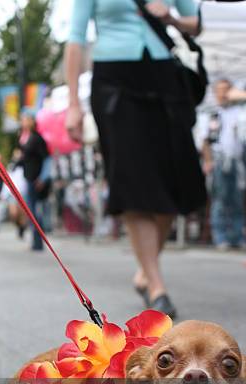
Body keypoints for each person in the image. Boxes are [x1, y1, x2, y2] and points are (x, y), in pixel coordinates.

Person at [65, 0, 207, 318]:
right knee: (133, 183)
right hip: (115, 82)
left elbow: (195, 23)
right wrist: (73, 103)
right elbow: (75, 39)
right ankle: (157, 286)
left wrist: (170, 17)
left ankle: (145, 270)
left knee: (177, 182)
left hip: (163, 77)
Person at [201, 79, 246, 250]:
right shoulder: (211, 113)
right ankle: (220, 237)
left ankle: (236, 236)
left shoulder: (239, 111)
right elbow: (204, 140)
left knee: (236, 199)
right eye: (220, 90)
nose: (223, 93)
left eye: (226, 89)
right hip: (218, 160)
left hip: (236, 160)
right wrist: (208, 160)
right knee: (220, 199)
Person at [18, 111, 51, 251]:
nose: (23, 122)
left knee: (35, 211)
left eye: (26, 119)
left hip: (35, 180)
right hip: (28, 178)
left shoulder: (37, 138)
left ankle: (38, 243)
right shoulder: (25, 137)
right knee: (31, 211)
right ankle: (35, 242)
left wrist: (43, 178)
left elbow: (47, 159)